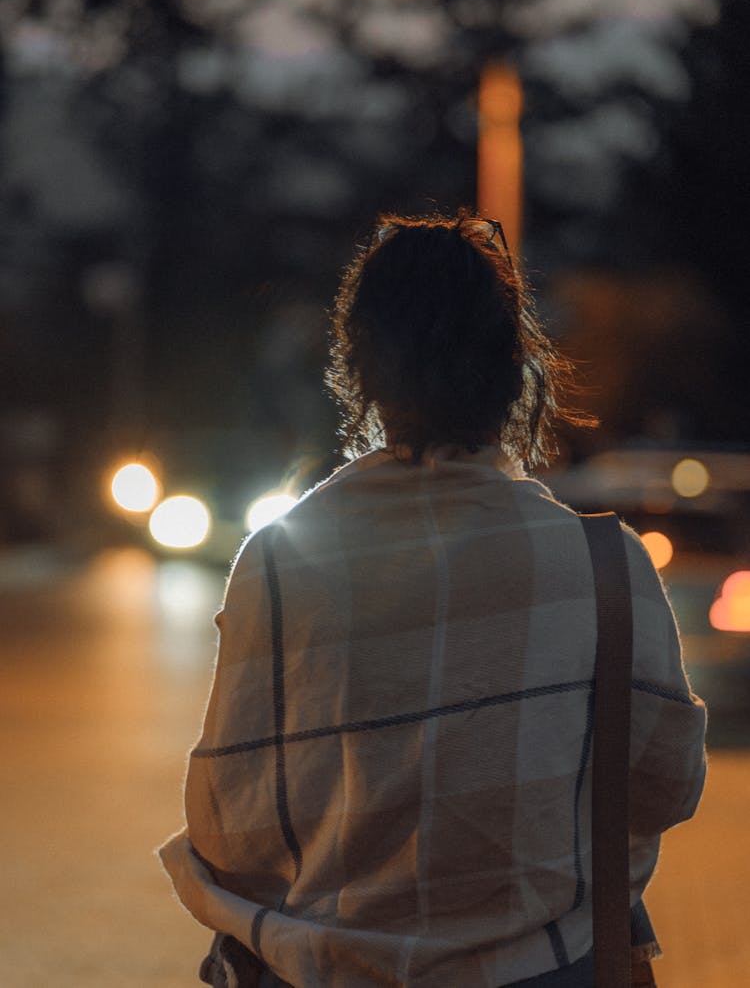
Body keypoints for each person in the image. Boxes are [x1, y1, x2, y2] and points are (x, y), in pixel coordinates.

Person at [159, 210, 707, 988]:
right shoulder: (604, 563)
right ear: (516, 368)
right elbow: (667, 782)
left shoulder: (280, 560)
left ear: (363, 370)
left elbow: (230, 829)